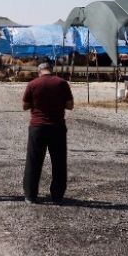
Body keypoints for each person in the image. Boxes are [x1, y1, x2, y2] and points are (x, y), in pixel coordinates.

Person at [22, 63, 74, 204]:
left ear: (39, 72)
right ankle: (57, 196)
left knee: (33, 161)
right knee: (58, 162)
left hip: (37, 127)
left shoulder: (33, 84)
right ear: (52, 70)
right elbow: (70, 105)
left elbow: (25, 106)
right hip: (57, 127)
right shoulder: (62, 83)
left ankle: (30, 195)